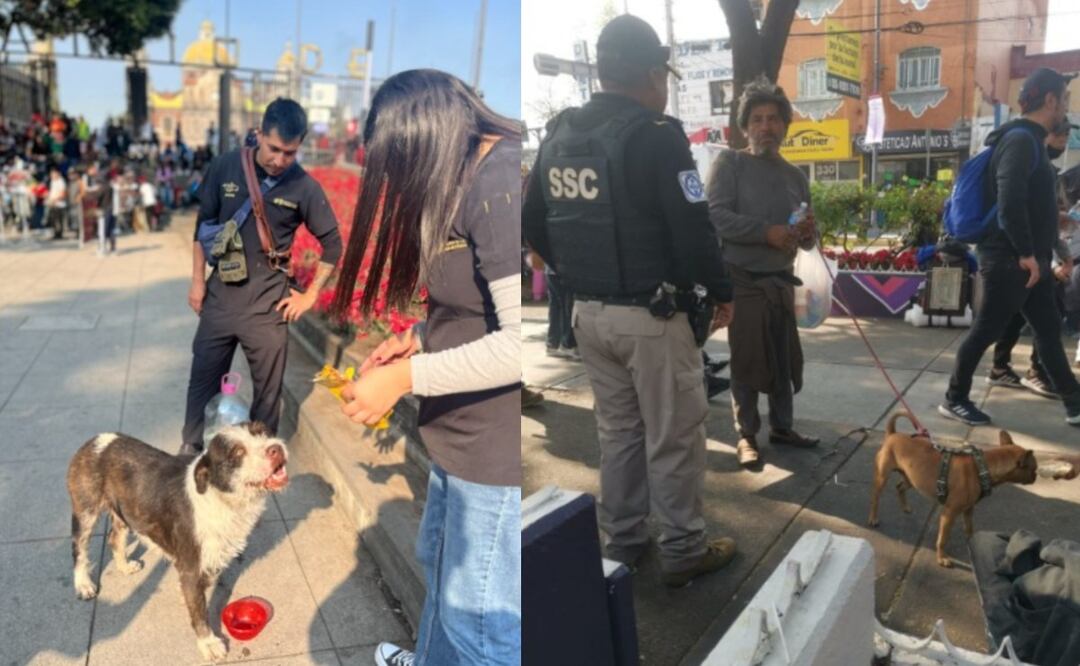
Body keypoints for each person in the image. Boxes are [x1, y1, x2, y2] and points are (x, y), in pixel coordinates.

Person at [524, 14, 736, 588]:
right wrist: (722, 294)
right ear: (649, 73)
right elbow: (695, 234)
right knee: (674, 435)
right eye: (662, 76)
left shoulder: (559, 134)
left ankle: (623, 541)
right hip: (653, 317)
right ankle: (684, 549)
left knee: (617, 434)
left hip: (587, 316)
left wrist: (574, 270)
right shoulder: (656, 136)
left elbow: (532, 223)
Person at [330, 69, 521, 666]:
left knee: (482, 630)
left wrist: (404, 380)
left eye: (401, 169)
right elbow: (476, 308)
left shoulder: (500, 186)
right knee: (444, 580)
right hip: (458, 439)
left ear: (427, 139)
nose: (400, 190)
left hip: (493, 454)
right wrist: (418, 338)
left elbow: (519, 344)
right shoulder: (466, 180)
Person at [180, 97, 343, 455]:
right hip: (219, 301)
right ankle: (190, 454)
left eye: (290, 152)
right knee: (201, 383)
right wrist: (196, 282)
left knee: (267, 397)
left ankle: (259, 466)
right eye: (274, 149)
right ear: (258, 135)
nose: (280, 160)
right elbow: (202, 226)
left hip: (268, 310)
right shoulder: (224, 167)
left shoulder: (304, 187)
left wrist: (310, 295)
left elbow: (333, 243)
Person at [940, 67, 1080, 427]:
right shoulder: (1019, 140)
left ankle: (1075, 403)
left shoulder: (1031, 141)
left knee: (1048, 332)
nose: (1065, 107)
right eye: (1063, 100)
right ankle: (954, 398)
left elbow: (1035, 211)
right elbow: (1010, 201)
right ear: (1050, 100)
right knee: (986, 330)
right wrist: (1026, 255)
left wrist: (1049, 253)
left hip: (1027, 260)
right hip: (1008, 259)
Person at [707, 77, 820, 467]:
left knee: (784, 359)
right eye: (757, 119)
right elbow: (715, 215)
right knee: (747, 361)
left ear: (785, 125)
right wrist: (765, 233)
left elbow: (806, 235)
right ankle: (747, 434)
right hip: (743, 282)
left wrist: (806, 233)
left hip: (781, 283)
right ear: (744, 127)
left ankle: (783, 427)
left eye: (773, 119)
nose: (765, 127)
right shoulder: (731, 163)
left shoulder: (796, 176)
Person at [987, 120, 1076, 397]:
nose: (1064, 140)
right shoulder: (1030, 158)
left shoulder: (1047, 170)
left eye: (1067, 135)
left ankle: (1055, 386)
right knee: (1000, 324)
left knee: (1028, 318)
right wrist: (1037, 257)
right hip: (1025, 258)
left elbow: (1043, 220)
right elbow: (1017, 211)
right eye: (1059, 133)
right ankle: (1036, 373)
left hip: (1033, 258)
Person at [45, 165, 67, 239]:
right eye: (51, 174)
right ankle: (55, 233)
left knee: (58, 220)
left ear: (57, 173)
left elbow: (63, 194)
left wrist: (55, 200)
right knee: (53, 220)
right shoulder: (52, 182)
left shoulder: (61, 182)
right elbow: (52, 192)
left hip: (59, 204)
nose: (52, 175)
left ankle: (59, 234)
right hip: (52, 204)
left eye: (53, 174)